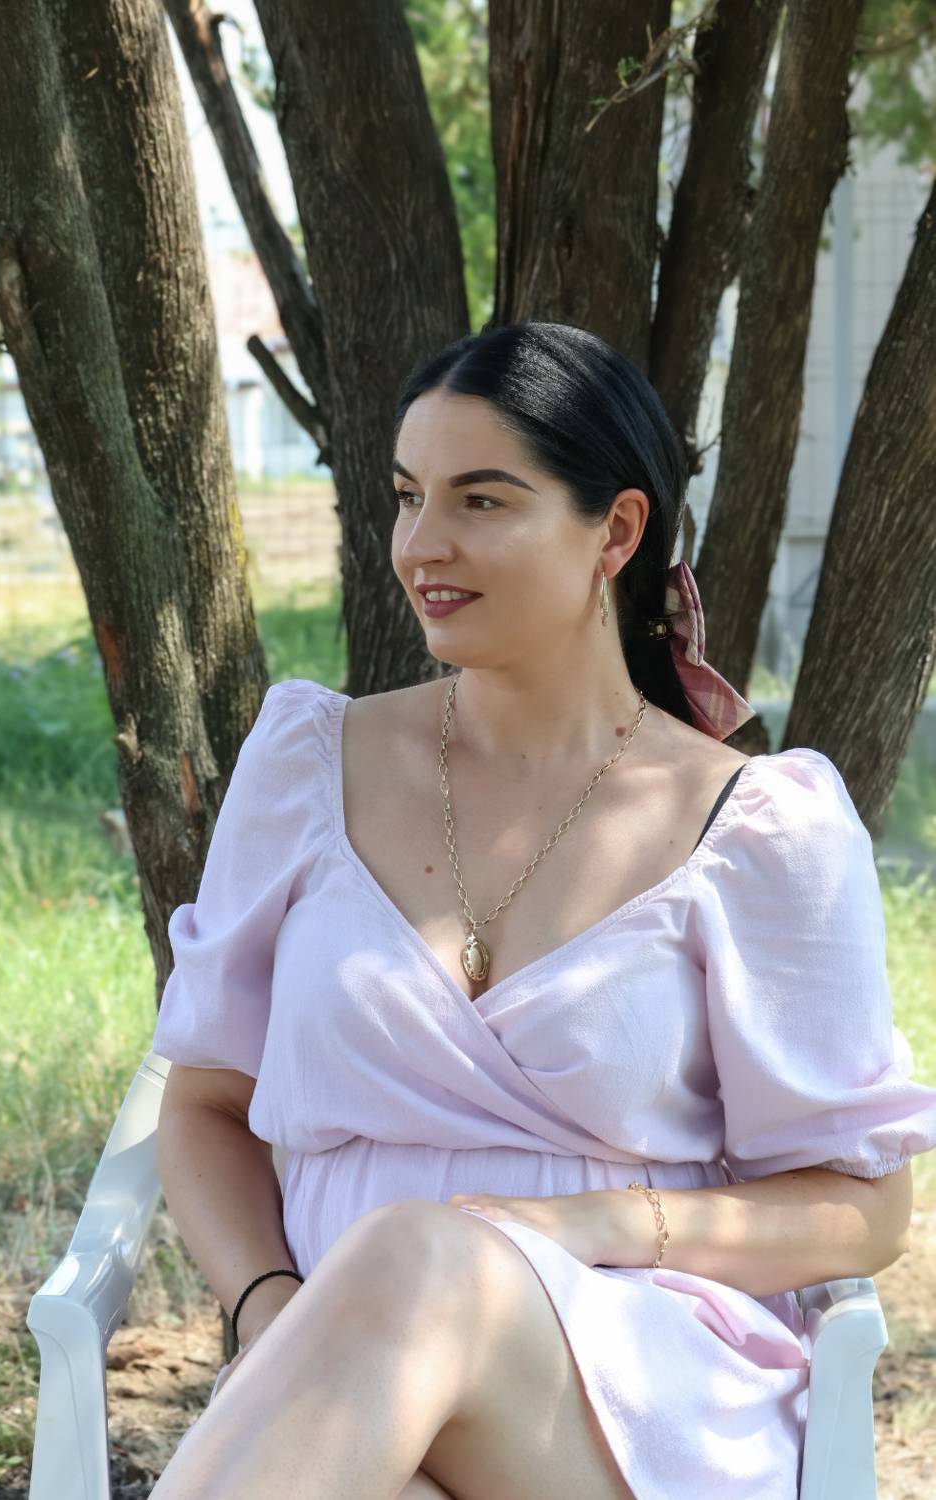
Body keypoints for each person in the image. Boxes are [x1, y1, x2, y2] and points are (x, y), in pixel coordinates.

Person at [147, 322, 936, 1500]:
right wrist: (270, 1311)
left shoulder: (757, 828)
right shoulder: (310, 762)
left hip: (628, 1394)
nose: (422, 543)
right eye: (407, 496)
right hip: (335, 1392)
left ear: (615, 531)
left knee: (418, 1253)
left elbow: (861, 1211)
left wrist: (594, 1225)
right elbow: (208, 1102)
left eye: (481, 500)